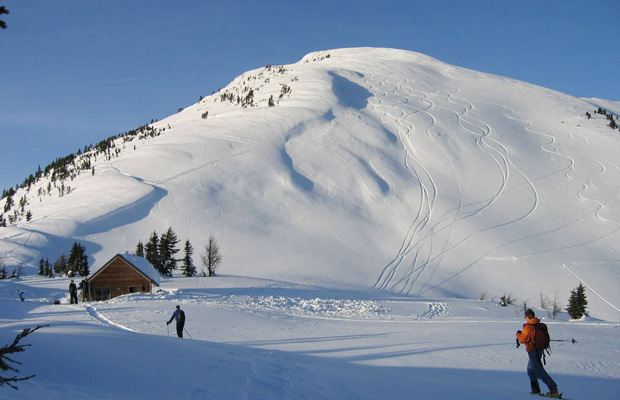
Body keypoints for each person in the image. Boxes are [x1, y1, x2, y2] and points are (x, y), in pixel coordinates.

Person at [517, 309, 560, 398]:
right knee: (531, 371)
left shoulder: (528, 327)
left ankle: (553, 389)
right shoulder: (538, 325)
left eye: (525, 316)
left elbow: (522, 340)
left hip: (533, 351)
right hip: (539, 350)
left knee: (539, 371)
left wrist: (518, 334)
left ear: (528, 317)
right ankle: (536, 391)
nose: (525, 318)